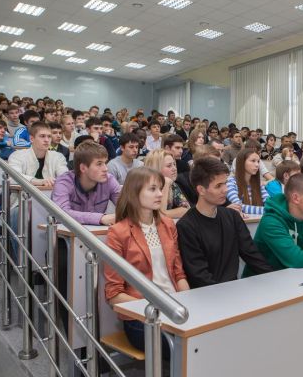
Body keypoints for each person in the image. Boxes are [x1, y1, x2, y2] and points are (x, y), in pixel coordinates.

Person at [104, 167, 189, 356]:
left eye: (160, 188)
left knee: (206, 337)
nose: (160, 194)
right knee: (188, 348)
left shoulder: (167, 224)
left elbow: (178, 273)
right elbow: (114, 294)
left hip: (173, 306)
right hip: (142, 316)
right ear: (134, 193)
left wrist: (189, 304)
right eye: (152, 189)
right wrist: (158, 308)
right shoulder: (118, 232)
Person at [176, 158, 273, 288]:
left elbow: (253, 256)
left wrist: (274, 279)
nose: (225, 190)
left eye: (225, 183)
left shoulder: (232, 217)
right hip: (206, 297)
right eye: (218, 186)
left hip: (233, 291)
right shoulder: (186, 226)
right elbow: (199, 275)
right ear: (201, 190)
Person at [52, 141, 121, 226]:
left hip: (97, 236)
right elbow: (61, 214)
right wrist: (101, 218)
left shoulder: (109, 179)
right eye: (99, 164)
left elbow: (126, 208)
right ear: (83, 168)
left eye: (105, 163)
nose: (105, 169)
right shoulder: (64, 182)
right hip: (66, 236)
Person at [8, 122, 69, 187]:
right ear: (31, 139)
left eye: (49, 136)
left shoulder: (58, 157)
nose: (47, 140)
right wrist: (39, 181)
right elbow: (13, 177)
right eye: (42, 136)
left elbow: (65, 178)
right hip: (23, 195)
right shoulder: (17, 156)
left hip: (50, 196)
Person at [144, 149, 190, 218]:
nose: (174, 168)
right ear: (156, 168)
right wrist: (165, 184)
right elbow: (157, 215)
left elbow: (186, 209)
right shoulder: (145, 186)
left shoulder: (172, 184)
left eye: (174, 164)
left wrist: (165, 213)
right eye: (169, 166)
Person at [226, 148, 269, 215]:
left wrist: (271, 209)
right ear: (242, 162)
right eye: (253, 161)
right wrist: (270, 211)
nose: (257, 165)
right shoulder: (230, 182)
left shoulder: (258, 184)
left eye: (258, 161)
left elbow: (269, 202)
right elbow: (238, 206)